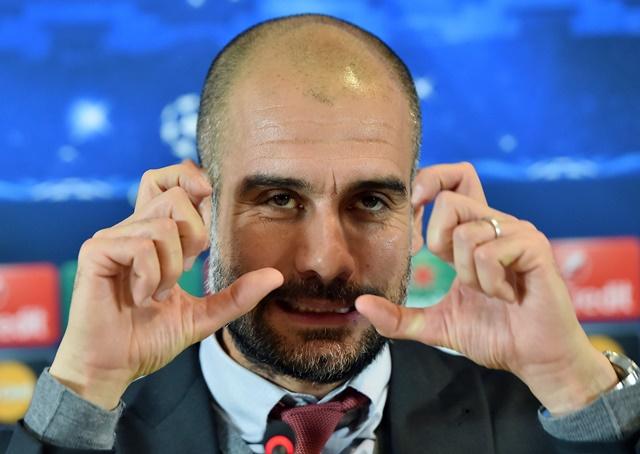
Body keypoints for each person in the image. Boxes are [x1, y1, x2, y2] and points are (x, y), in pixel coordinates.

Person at [3, 14, 640, 454]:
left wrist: (572, 382)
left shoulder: (545, 421)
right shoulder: (85, 426)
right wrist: (85, 386)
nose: (327, 260)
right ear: (200, 206)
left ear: (414, 216)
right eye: (279, 200)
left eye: (370, 202)